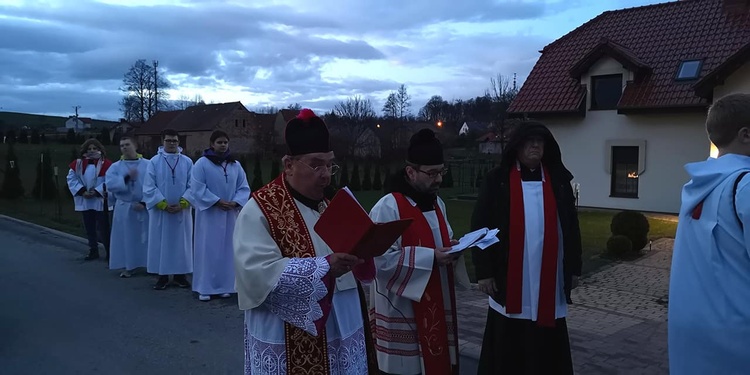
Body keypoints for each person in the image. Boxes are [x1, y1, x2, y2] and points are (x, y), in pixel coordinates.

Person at [232, 108, 378, 374]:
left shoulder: (333, 203)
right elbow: (254, 272)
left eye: (329, 164)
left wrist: (365, 246)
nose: (325, 174)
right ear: (289, 165)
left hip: (343, 322)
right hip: (286, 332)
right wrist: (323, 268)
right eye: (315, 164)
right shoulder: (260, 209)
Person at [470, 121, 582, 374]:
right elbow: (481, 226)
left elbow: (572, 227)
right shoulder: (497, 181)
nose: (535, 145)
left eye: (540, 141)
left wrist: (574, 268)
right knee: (508, 337)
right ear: (516, 147)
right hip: (509, 274)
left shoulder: (559, 181)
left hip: (549, 276)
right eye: (529, 141)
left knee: (547, 340)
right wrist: (484, 270)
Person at [368, 128, 470, 375]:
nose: (438, 180)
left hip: (436, 304)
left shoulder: (438, 205)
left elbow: (442, 238)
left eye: (441, 172)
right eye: (432, 173)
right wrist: (431, 257)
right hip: (402, 313)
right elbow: (378, 260)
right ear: (410, 172)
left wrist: (455, 248)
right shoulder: (388, 207)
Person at [668, 93, 750, 374]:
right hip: (738, 340)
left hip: (692, 333)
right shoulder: (745, 185)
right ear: (746, 134)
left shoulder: (698, 185)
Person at [189, 130, 250, 301]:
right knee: (208, 250)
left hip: (230, 214)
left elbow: (243, 186)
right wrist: (216, 201)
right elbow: (197, 187)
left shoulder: (235, 165)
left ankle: (225, 285)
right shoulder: (202, 164)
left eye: (225, 142)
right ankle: (205, 287)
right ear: (212, 144)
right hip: (210, 214)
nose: (223, 145)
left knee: (227, 250)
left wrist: (235, 202)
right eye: (219, 142)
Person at [143, 129, 194, 290]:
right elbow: (149, 185)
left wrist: (184, 203)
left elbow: (193, 184)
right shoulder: (154, 162)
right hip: (161, 212)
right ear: (162, 141)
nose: (172, 144)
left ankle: (180, 275)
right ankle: (162, 276)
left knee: (181, 244)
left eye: (175, 141)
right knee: (161, 243)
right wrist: (162, 204)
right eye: (168, 140)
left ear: (179, 143)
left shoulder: (187, 161)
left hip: (182, 211)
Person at [105, 135, 150, 278]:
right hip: (125, 206)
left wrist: (144, 202)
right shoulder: (116, 167)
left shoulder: (148, 165)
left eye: (127, 144)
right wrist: (126, 178)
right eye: (122, 145)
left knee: (145, 237)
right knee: (126, 238)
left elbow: (153, 185)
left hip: (143, 206)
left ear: (135, 146)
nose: (124, 147)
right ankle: (128, 266)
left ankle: (149, 264)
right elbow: (110, 185)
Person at [66, 138, 113, 261]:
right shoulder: (78, 164)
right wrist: (82, 191)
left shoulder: (106, 164)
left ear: (100, 149)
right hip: (86, 200)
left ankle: (109, 252)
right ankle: (93, 250)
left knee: (104, 229)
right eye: (89, 149)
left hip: (100, 200)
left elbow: (110, 180)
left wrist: (97, 191)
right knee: (89, 228)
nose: (92, 151)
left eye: (95, 148)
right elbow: (71, 179)